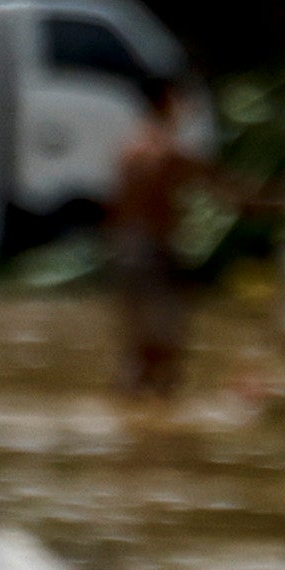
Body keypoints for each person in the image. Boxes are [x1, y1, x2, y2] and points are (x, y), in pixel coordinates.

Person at [108, 76, 220, 397]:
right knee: (164, 350)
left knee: (140, 349)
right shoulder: (166, 153)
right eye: (183, 101)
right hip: (152, 254)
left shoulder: (131, 147)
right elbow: (225, 188)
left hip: (125, 251)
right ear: (169, 101)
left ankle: (132, 424)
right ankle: (153, 428)